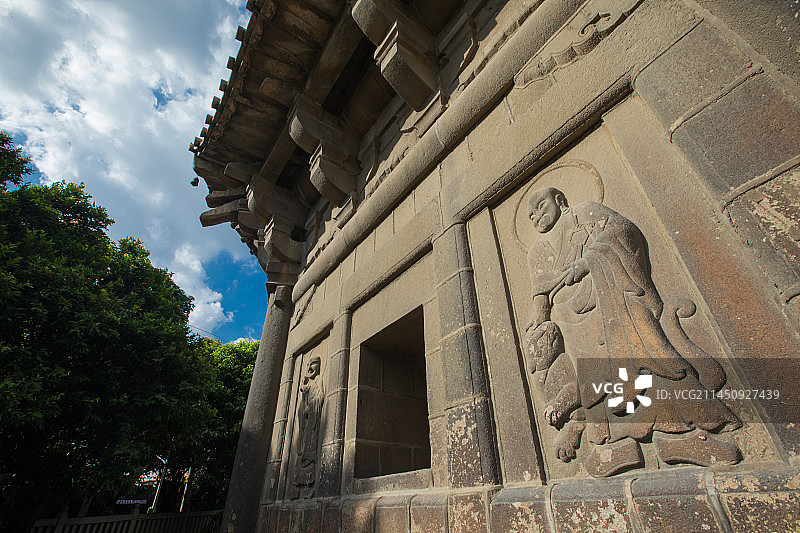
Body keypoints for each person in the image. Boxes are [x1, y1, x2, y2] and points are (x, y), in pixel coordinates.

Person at [524, 187, 741, 476]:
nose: (537, 216)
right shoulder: (538, 252)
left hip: (612, 302)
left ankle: (686, 437)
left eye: (541, 206)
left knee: (646, 363)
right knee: (596, 381)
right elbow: (541, 287)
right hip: (575, 322)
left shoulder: (584, 213)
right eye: (531, 215)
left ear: (560, 201)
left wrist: (588, 261)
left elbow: (623, 230)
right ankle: (618, 447)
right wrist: (541, 315)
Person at [293, 356, 324, 497]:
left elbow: (320, 397)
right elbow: (301, 409)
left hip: (313, 426)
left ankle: (309, 488)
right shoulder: (308, 384)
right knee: (301, 456)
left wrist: (310, 407)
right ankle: (299, 488)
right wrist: (304, 395)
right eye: (308, 365)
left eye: (314, 364)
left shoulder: (318, 381)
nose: (310, 368)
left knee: (309, 454)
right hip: (306, 427)